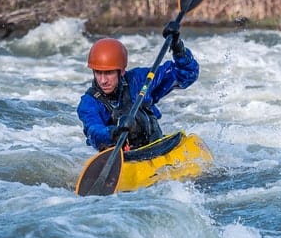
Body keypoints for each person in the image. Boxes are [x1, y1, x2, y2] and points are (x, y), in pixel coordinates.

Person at [77, 22, 199, 151]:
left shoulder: (139, 80)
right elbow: (93, 131)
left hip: (155, 147)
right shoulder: (88, 102)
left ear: (122, 71)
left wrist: (178, 48)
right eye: (98, 72)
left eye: (108, 73)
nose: (102, 81)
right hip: (121, 157)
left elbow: (187, 74)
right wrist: (114, 132)